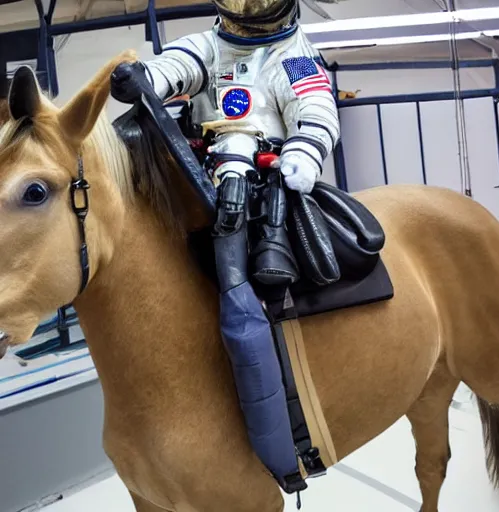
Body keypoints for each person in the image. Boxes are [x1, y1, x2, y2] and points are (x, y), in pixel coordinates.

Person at [111, 0, 340, 493]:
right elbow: (178, 65)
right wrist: (143, 78)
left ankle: (282, 431)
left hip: (260, 177)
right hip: (194, 171)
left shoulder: (295, 56)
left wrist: (303, 150)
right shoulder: (209, 44)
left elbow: (316, 108)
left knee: (239, 195)